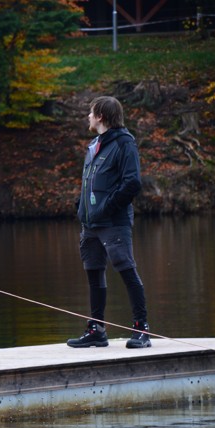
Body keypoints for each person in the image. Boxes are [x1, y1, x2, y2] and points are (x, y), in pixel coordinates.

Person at [67, 96, 151, 349]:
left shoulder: (125, 144)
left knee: (126, 270)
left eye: (91, 113)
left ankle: (142, 329)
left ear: (101, 116)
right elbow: (89, 185)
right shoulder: (94, 145)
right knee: (94, 272)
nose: (88, 117)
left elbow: (132, 183)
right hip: (90, 224)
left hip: (114, 221)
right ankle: (96, 329)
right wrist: (82, 209)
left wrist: (106, 207)